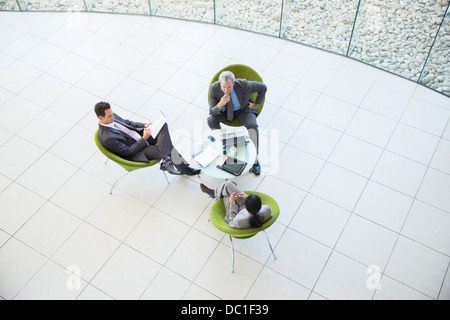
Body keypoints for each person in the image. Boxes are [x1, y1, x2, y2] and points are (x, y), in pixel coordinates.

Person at [94, 102, 200, 176]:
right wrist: (144, 139)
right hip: (137, 151)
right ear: (100, 118)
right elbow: (128, 152)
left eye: (112, 114)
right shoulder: (107, 138)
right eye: (109, 116)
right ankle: (181, 167)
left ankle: (167, 162)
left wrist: (144, 125)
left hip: (140, 136)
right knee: (166, 147)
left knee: (162, 126)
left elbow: (127, 123)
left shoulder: (112, 116)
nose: (113, 117)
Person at [207, 70, 267, 176]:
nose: (226, 90)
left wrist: (256, 105)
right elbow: (212, 111)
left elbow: (263, 87)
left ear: (233, 83)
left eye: (229, 87)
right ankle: (223, 143)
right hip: (225, 112)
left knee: (253, 126)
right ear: (220, 83)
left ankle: (255, 160)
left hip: (243, 109)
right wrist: (220, 105)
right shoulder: (214, 88)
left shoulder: (243, 84)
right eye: (223, 87)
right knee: (211, 120)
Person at [200, 181, 272, 229]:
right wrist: (247, 197)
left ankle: (215, 194)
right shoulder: (267, 210)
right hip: (246, 210)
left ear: (247, 206)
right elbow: (258, 207)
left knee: (227, 195)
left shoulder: (239, 221)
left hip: (235, 216)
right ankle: (215, 193)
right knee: (228, 184)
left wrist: (232, 204)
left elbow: (232, 221)